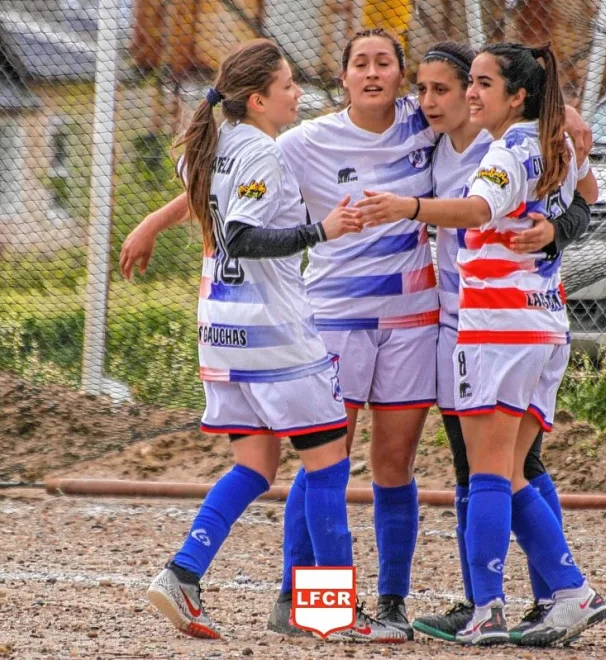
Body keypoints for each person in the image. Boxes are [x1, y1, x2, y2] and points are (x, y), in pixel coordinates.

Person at [121, 29, 594, 639]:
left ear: (402, 78)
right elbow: (226, 191)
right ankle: (306, 602)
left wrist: (563, 127)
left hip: (422, 321)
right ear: (342, 77)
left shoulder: (440, 125)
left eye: (385, 63)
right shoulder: (301, 141)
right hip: (333, 317)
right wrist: (154, 221)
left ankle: (401, 602)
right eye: (360, 63)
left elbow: (560, 163)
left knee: (406, 465)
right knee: (329, 460)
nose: (374, 73)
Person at [141, 38, 406, 643]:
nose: (297, 93)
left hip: (222, 330)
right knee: (328, 466)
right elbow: (241, 235)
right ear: (258, 99)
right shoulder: (260, 150)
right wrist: (322, 230)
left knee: (255, 466)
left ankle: (183, 573)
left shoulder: (210, 146)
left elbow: (214, 216)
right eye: (288, 85)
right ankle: (331, 612)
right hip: (275, 336)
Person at [355, 42, 606, 647]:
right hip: (534, 321)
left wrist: (405, 207)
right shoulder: (552, 140)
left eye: (479, 83)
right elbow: (587, 192)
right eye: (465, 83)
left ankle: (483, 606)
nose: (468, 94)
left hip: (493, 326)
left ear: (516, 95)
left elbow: (477, 209)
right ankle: (559, 594)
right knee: (508, 471)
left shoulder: (507, 148)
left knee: (487, 474)